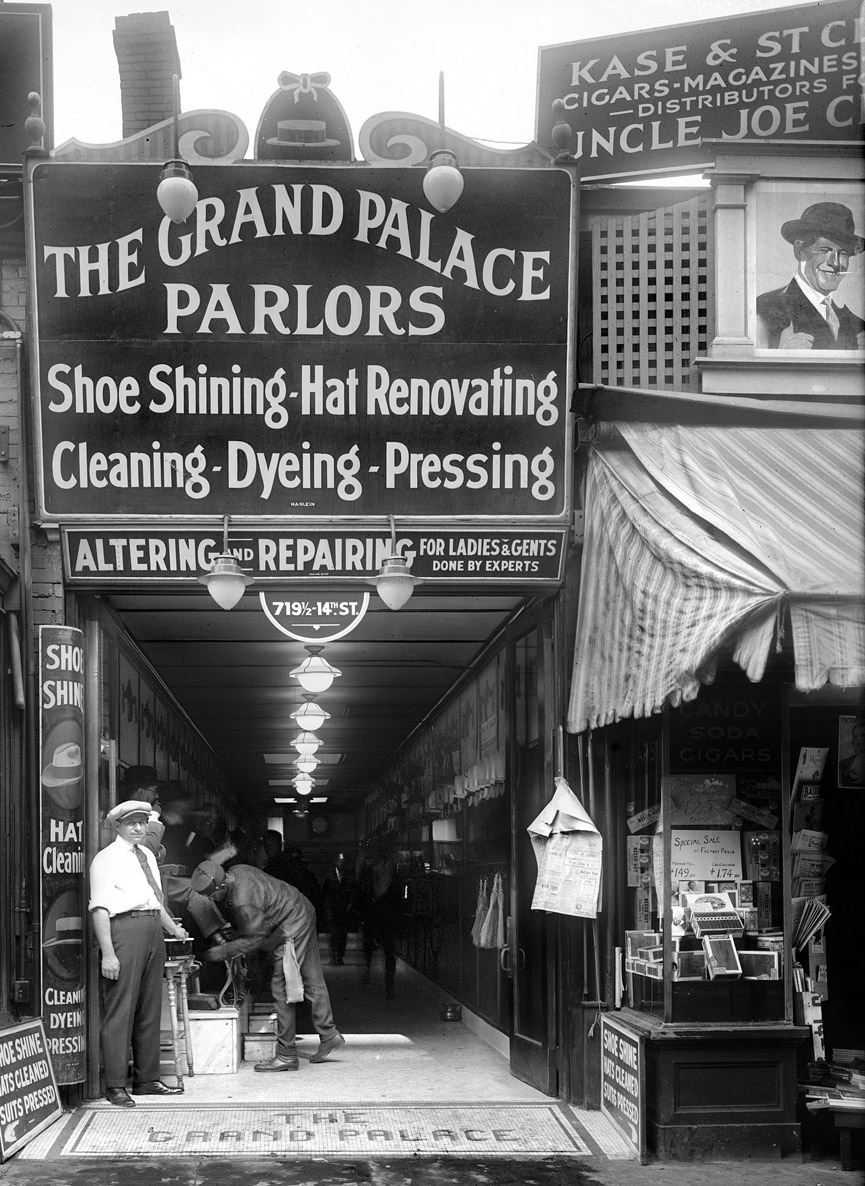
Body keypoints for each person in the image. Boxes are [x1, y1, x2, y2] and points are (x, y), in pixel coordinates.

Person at [192, 858, 344, 1070]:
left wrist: (219, 953)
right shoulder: (237, 871)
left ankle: (286, 1054)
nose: (211, 899)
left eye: (211, 894)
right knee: (312, 976)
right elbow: (260, 913)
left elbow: (255, 939)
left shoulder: (241, 902)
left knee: (281, 987)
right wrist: (239, 933)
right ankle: (328, 1034)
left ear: (222, 886)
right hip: (302, 909)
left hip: (291, 924)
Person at [88, 799, 189, 1107]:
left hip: (151, 930)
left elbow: (154, 902)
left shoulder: (145, 854)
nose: (137, 828)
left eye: (142, 823)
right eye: (131, 823)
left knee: (149, 1006)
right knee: (121, 1008)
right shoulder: (106, 859)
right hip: (124, 930)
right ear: (117, 826)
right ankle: (116, 1084)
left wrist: (174, 930)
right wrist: (108, 953)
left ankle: (147, 1079)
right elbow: (100, 908)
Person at [756, 202, 865, 350]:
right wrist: (780, 355)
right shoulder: (764, 310)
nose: (836, 263)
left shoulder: (856, 324)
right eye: (824, 250)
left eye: (843, 254)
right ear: (799, 250)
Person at [355, 841, 402, 1000]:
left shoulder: (369, 869)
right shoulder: (390, 870)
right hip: (384, 913)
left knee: (374, 947)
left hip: (375, 912)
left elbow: (362, 890)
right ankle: (389, 984)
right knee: (387, 950)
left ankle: (376, 976)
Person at [321, 852, 356, 966]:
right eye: (339, 861)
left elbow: (353, 891)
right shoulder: (329, 875)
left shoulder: (349, 875)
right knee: (334, 932)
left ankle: (340, 954)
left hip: (344, 909)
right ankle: (335, 954)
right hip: (332, 908)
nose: (341, 863)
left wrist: (350, 904)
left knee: (342, 933)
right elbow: (324, 892)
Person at [838, 718, 865, 787]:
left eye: (863, 735)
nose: (858, 739)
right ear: (853, 741)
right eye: (855, 736)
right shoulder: (844, 764)